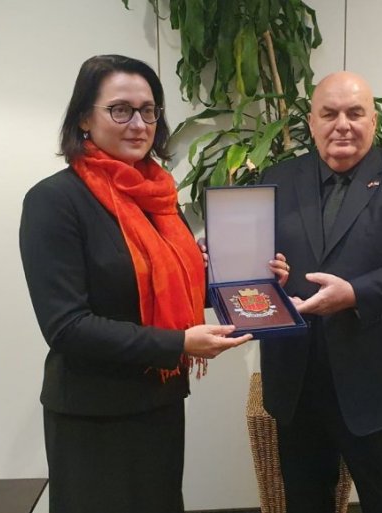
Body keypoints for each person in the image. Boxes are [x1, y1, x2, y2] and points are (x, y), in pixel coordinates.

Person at [19, 54, 252, 513]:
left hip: (159, 403)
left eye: (148, 110)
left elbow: (168, 288)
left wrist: (249, 281)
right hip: (93, 414)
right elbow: (66, 326)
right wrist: (179, 343)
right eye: (120, 110)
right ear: (84, 118)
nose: (139, 124)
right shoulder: (54, 201)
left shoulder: (159, 197)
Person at [259, 71, 382, 513]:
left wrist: (354, 293)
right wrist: (267, 276)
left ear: (373, 120)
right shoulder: (276, 178)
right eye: (329, 114)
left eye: (355, 113)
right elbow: (257, 263)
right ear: (311, 122)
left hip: (378, 378)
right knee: (305, 501)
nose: (342, 124)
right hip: (296, 380)